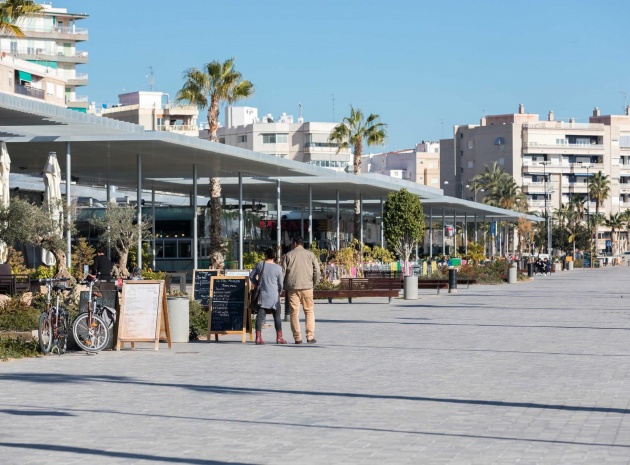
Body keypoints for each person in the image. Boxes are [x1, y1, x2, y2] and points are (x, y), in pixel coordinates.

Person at [282, 237, 321, 344]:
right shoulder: (310, 254)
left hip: (292, 287)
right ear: (302, 244)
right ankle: (310, 336)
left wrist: (282, 285)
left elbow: (283, 272)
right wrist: (314, 283)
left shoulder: (288, 255)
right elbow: (317, 271)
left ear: (294, 243)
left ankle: (297, 338)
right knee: (309, 311)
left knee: (294, 313)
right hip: (307, 286)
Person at [249, 248, 286, 345]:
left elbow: (251, 276)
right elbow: (281, 284)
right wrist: (279, 291)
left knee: (260, 316)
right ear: (274, 256)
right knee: (277, 316)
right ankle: (279, 337)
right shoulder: (278, 268)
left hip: (263, 294)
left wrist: (257, 284)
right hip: (274, 295)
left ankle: (258, 337)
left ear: (265, 255)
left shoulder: (261, 265)